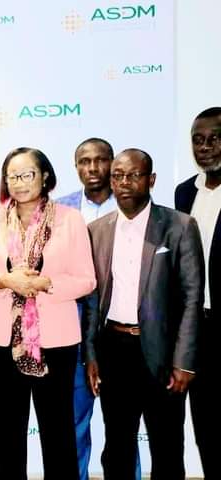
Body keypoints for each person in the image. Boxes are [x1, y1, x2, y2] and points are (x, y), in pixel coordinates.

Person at [0, 147, 95, 479]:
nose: (20, 182)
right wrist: (5, 280)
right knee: (8, 429)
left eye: (27, 174)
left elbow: (87, 280)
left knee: (58, 430)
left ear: (45, 176)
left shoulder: (70, 219)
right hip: (1, 341)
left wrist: (45, 284)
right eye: (12, 176)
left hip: (56, 341)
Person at [85, 149, 203, 479]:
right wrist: (91, 355)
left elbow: (192, 298)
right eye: (117, 176)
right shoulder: (97, 230)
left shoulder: (180, 226)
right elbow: (92, 300)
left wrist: (184, 361)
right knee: (117, 446)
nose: (124, 183)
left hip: (163, 354)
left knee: (167, 447)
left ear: (151, 180)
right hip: (113, 350)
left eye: (133, 175)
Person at [56, 138, 142, 480]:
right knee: (72, 424)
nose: (92, 168)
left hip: (118, 334)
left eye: (101, 160)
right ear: (76, 166)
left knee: (123, 427)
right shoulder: (58, 211)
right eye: (84, 161)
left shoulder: (132, 206)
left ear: (113, 163)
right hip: (70, 333)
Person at [175, 107, 221, 479]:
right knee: (205, 423)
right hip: (196, 328)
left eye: (214, 139)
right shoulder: (184, 192)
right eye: (198, 140)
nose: (204, 147)